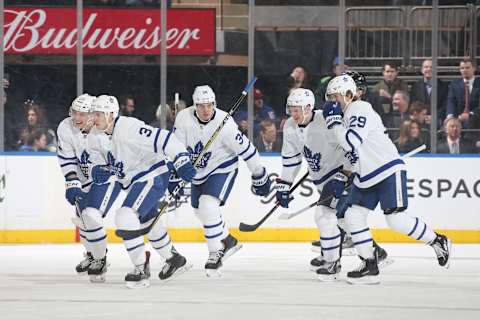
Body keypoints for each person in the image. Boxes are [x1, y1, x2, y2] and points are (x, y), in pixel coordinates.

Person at [323, 74, 452, 284]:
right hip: (365, 176)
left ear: (348, 94)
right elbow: (350, 154)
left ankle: (438, 241)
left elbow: (351, 143)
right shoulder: (344, 116)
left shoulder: (360, 109)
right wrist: (343, 174)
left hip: (387, 170)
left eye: (335, 96)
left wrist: (334, 123)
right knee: (350, 216)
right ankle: (369, 264)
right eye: (330, 97)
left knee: (396, 220)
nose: (332, 101)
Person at [276, 88, 389, 281]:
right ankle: (376, 252)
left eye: (297, 109)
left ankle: (332, 263)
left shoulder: (325, 121)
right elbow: (291, 158)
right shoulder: (289, 126)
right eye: (291, 109)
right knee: (342, 219)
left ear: (309, 107)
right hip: (321, 179)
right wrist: (284, 184)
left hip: (341, 176)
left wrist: (346, 174)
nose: (293, 114)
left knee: (324, 215)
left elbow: (351, 148)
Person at [91, 95, 197, 288]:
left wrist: (181, 160)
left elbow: (165, 138)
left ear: (110, 114)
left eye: (98, 114)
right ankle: (173, 259)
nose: (94, 118)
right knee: (148, 220)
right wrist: (98, 171)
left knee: (125, 215)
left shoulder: (128, 128)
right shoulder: (97, 137)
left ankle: (141, 267)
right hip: (137, 181)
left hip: (152, 175)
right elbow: (103, 165)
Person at [172, 85, 271, 277]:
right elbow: (176, 147)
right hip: (198, 171)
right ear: (195, 106)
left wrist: (259, 174)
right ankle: (228, 240)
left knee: (208, 206)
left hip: (222, 167)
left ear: (214, 104)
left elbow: (248, 150)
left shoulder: (225, 125)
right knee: (200, 211)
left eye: (210, 105)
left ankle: (215, 252)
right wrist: (174, 172)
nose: (206, 110)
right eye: (201, 106)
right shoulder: (183, 118)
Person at [56, 93, 122, 283]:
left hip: (106, 180)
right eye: (74, 113)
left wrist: (108, 170)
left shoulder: (103, 129)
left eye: (82, 114)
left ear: (93, 115)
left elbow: (119, 158)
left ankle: (101, 260)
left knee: (91, 217)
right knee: (82, 220)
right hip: (84, 180)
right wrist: (72, 182)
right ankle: (92, 254)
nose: (77, 118)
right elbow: (67, 158)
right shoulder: (65, 127)